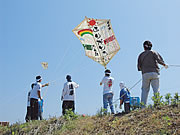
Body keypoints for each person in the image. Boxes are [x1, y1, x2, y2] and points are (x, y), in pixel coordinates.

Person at [137, 40, 168, 108]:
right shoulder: (154, 52)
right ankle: (157, 104)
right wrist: (164, 65)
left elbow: (139, 67)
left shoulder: (141, 55)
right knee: (156, 89)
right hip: (154, 73)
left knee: (144, 90)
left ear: (144, 47)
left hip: (145, 74)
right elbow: (159, 60)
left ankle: (143, 106)